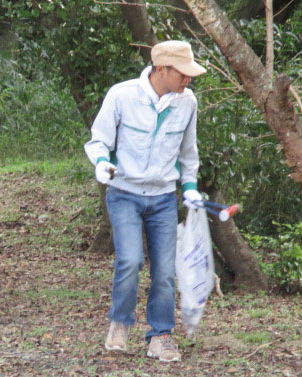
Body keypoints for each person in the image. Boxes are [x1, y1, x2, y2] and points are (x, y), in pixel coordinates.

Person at [84, 40, 206, 362]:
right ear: (162, 69)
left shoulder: (187, 102)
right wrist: (101, 162)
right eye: (183, 74)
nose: (188, 80)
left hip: (163, 198)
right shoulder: (122, 95)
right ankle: (120, 324)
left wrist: (190, 186)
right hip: (124, 194)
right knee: (130, 261)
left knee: (165, 272)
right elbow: (99, 140)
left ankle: (160, 336)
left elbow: (188, 152)